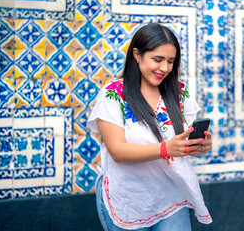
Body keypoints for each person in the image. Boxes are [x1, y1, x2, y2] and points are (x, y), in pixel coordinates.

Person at [87, 23, 213, 231]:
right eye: (158, 59)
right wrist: (165, 149)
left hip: (171, 194)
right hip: (127, 197)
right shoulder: (112, 94)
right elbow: (118, 151)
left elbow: (181, 143)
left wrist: (198, 145)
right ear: (137, 54)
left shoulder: (179, 92)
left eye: (170, 61)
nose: (164, 68)